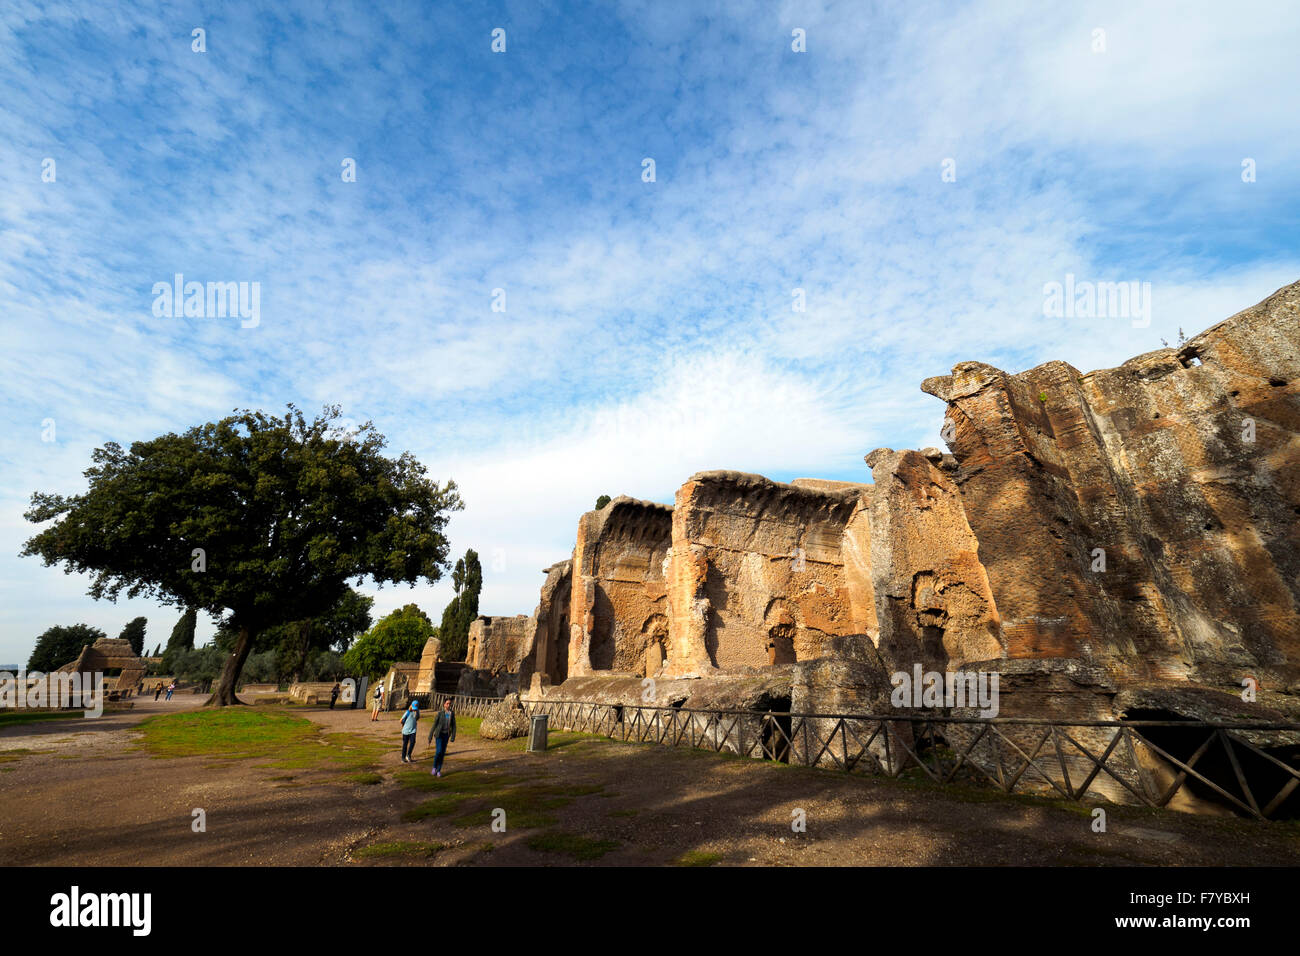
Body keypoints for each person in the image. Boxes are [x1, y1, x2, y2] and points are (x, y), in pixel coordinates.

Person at [427, 699, 457, 777]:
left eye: (449, 704)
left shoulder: (451, 714)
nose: (448, 705)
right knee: (439, 751)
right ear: (444, 704)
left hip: (446, 735)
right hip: (439, 735)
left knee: (442, 753)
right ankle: (434, 767)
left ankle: (438, 770)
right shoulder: (440, 714)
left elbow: (454, 726)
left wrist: (453, 736)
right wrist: (430, 736)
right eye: (447, 703)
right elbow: (434, 725)